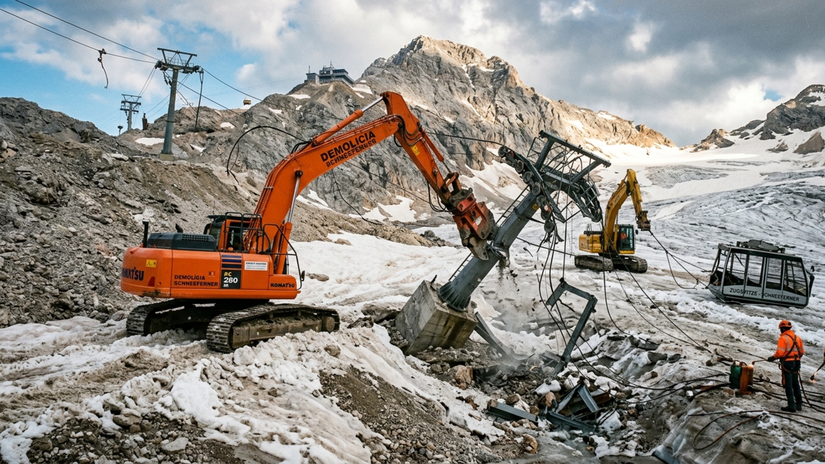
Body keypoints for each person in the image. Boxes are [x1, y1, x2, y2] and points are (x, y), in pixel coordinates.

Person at [767, 320, 805, 412]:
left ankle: (791, 406)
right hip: (797, 362)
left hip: (788, 363)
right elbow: (802, 352)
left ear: (783, 328)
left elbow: (780, 353)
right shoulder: (797, 338)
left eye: (780, 329)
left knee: (788, 384)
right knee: (795, 383)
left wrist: (772, 358)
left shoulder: (783, 338)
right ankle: (798, 404)